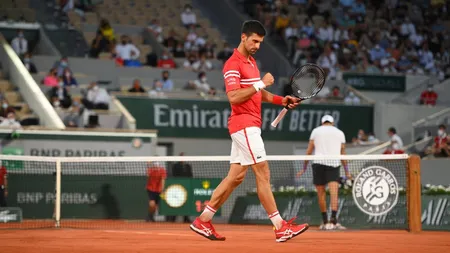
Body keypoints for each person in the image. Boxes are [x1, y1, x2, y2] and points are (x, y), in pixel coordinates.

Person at [189, 20, 308, 242]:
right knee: (263, 172)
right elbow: (234, 96)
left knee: (235, 177)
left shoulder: (252, 63)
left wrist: (283, 99)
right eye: (254, 41)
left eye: (260, 42)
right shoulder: (232, 64)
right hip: (243, 124)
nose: (257, 45)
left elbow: (257, 94)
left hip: (249, 125)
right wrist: (261, 84)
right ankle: (280, 226)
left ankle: (203, 220)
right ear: (243, 37)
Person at [296, 115, 351, 230]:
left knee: (321, 194)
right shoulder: (340, 133)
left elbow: (309, 150)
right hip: (333, 164)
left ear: (322, 122)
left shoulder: (315, 131)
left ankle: (325, 222)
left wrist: (304, 167)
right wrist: (347, 171)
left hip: (318, 164)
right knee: (334, 193)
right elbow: (343, 153)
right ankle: (334, 221)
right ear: (332, 123)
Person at [168, 152, 193, 223]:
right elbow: (174, 175)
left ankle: (186, 218)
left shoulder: (188, 166)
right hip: (178, 187)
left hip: (187, 186)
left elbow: (191, 175)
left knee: (186, 202)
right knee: (176, 202)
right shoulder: (175, 166)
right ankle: (173, 218)